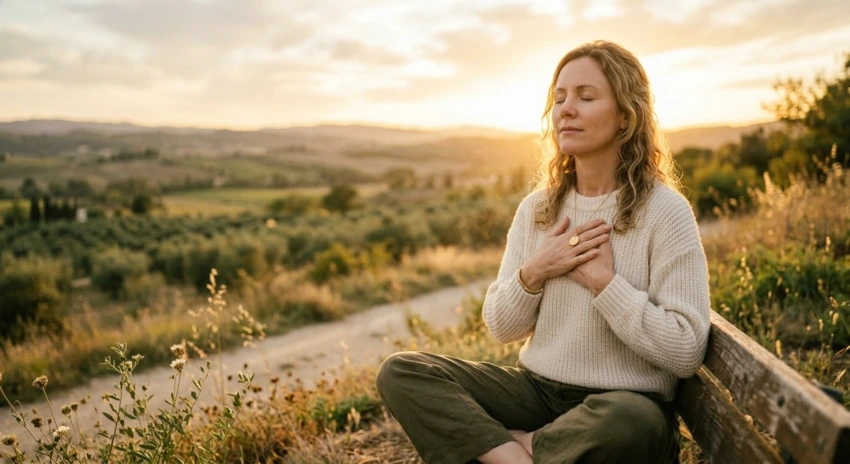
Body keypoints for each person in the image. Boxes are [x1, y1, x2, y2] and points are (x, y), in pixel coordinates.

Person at [375, 40, 711, 464]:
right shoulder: (539, 208)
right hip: (536, 393)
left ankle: (510, 449)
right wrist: (534, 272)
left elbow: (685, 350)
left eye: (586, 97)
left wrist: (605, 284)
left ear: (626, 116)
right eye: (559, 98)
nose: (566, 109)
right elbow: (501, 326)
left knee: (634, 421)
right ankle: (521, 456)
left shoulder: (664, 211)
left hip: (622, 405)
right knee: (404, 371)